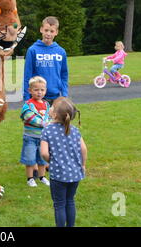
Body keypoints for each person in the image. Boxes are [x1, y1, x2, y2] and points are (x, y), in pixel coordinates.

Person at [40, 97, 87, 227]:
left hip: (58, 175)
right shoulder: (75, 131)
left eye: (52, 107)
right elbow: (83, 149)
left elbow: (44, 153)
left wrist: (51, 160)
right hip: (75, 174)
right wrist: (82, 165)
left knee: (59, 204)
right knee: (70, 201)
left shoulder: (47, 130)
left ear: (54, 114)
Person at [23, 16, 68, 106]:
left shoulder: (61, 52)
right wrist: (27, 99)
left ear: (56, 32)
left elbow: (64, 75)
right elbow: (27, 75)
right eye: (46, 30)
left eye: (52, 31)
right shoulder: (33, 50)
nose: (48, 34)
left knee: (56, 120)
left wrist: (64, 94)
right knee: (40, 120)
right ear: (41, 30)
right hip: (38, 97)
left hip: (56, 97)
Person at [20, 76, 52, 187]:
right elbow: (29, 117)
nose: (39, 92)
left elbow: (49, 117)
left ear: (45, 90)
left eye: (42, 90)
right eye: (36, 90)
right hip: (30, 137)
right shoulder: (28, 105)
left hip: (43, 138)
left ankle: (42, 177)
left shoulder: (46, 104)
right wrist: (44, 123)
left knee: (42, 159)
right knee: (30, 159)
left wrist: (51, 123)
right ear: (30, 90)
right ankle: (30, 178)